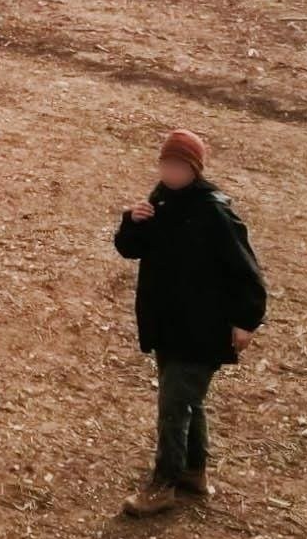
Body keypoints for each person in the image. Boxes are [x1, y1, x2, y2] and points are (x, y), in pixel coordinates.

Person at [114, 130, 267, 517]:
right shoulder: (161, 199)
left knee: (174, 404)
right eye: (166, 164)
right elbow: (131, 248)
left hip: (203, 329)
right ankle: (194, 472)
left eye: (179, 166)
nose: (170, 171)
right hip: (169, 323)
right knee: (186, 401)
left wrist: (246, 322)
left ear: (195, 169)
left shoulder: (214, 211)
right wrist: (132, 222)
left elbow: (246, 271)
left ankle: (163, 484)